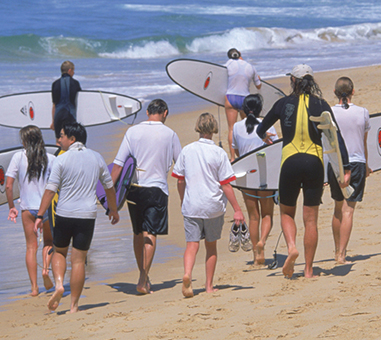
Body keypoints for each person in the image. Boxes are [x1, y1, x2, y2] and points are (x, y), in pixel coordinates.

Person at [256, 64, 333, 279]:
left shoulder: (282, 103)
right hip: (314, 163)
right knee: (311, 220)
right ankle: (308, 270)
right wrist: (343, 169)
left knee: (287, 213)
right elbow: (336, 138)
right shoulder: (321, 104)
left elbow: (261, 129)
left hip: (290, 162)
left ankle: (291, 247)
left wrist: (265, 137)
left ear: (293, 81)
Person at [34, 122, 119, 313]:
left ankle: (58, 285)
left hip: (64, 214)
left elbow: (50, 190)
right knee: (79, 260)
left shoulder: (61, 160)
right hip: (87, 216)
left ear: (72, 139)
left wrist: (40, 215)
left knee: (60, 252)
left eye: (62, 135)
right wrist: (113, 210)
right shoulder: (96, 157)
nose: (59, 139)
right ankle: (74, 305)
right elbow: (109, 187)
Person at [110, 99, 182, 295]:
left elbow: (118, 165)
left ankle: (143, 274)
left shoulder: (132, 132)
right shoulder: (170, 134)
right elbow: (181, 165)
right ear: (165, 113)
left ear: (148, 112)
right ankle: (143, 278)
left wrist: (109, 195)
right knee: (150, 232)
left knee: (137, 232)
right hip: (157, 189)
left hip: (134, 189)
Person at [172, 113, 245, 298]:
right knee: (211, 246)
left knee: (192, 244)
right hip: (213, 206)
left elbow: (180, 181)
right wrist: (237, 209)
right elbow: (225, 184)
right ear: (213, 129)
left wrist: (183, 199)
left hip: (192, 205)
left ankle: (187, 274)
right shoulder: (219, 153)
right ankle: (209, 286)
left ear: (198, 127)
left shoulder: (187, 150)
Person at [5, 125, 56, 297]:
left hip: (27, 209)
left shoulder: (18, 157)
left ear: (25, 141)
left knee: (30, 248)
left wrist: (11, 206)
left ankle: (34, 288)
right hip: (46, 207)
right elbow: (56, 186)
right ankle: (46, 271)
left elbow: (8, 185)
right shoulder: (50, 158)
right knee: (49, 242)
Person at [230, 94, 277, 265]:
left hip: (246, 175)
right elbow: (275, 150)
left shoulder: (236, 127)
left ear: (243, 109)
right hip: (265, 175)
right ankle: (262, 242)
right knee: (267, 214)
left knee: (253, 216)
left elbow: (235, 152)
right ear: (260, 109)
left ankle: (256, 256)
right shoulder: (268, 124)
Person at [329, 77, 370, 264]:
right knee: (348, 211)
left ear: (335, 93)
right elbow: (363, 142)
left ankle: (337, 249)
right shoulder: (362, 112)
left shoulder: (328, 113)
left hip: (336, 163)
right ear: (353, 91)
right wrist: (367, 164)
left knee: (338, 208)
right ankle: (342, 254)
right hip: (356, 162)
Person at [224, 48, 262, 134]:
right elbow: (258, 86)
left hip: (231, 98)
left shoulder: (227, 65)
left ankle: (233, 148)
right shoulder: (251, 67)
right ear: (239, 53)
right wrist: (258, 79)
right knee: (248, 126)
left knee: (231, 129)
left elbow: (221, 81)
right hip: (245, 99)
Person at [51, 61, 81, 139]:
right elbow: (80, 101)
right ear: (70, 70)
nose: (74, 73)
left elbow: (54, 105)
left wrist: (53, 122)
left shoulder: (55, 84)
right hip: (70, 115)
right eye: (73, 70)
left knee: (59, 140)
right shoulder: (75, 83)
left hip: (58, 115)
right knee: (70, 139)